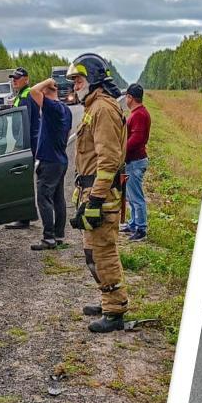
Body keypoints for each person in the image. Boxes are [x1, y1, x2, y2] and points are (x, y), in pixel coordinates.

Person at [67, 53, 128, 334]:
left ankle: (115, 311)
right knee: (92, 252)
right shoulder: (94, 108)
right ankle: (107, 300)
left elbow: (109, 161)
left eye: (78, 80)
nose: (74, 86)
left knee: (102, 253)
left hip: (101, 196)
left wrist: (95, 200)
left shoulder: (103, 110)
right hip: (91, 192)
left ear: (92, 79)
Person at [28, 77, 72, 251]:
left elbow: (33, 91)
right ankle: (59, 235)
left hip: (49, 160)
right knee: (58, 199)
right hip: (60, 159)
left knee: (44, 198)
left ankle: (48, 238)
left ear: (47, 91)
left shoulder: (51, 107)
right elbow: (68, 133)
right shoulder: (66, 110)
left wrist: (47, 81)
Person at [6, 67, 40, 230]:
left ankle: (25, 217)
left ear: (26, 79)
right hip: (27, 142)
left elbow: (25, 122)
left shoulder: (26, 95)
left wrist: (19, 147)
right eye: (13, 78)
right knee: (24, 179)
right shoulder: (21, 95)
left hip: (27, 143)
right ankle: (25, 216)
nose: (14, 81)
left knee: (23, 180)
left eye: (18, 78)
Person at [121, 83, 150, 241]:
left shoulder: (139, 115)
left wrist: (121, 150)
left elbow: (137, 139)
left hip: (135, 161)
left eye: (126, 96)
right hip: (133, 161)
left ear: (130, 97)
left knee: (136, 196)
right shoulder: (138, 112)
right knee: (131, 196)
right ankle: (133, 223)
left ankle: (141, 228)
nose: (126, 98)